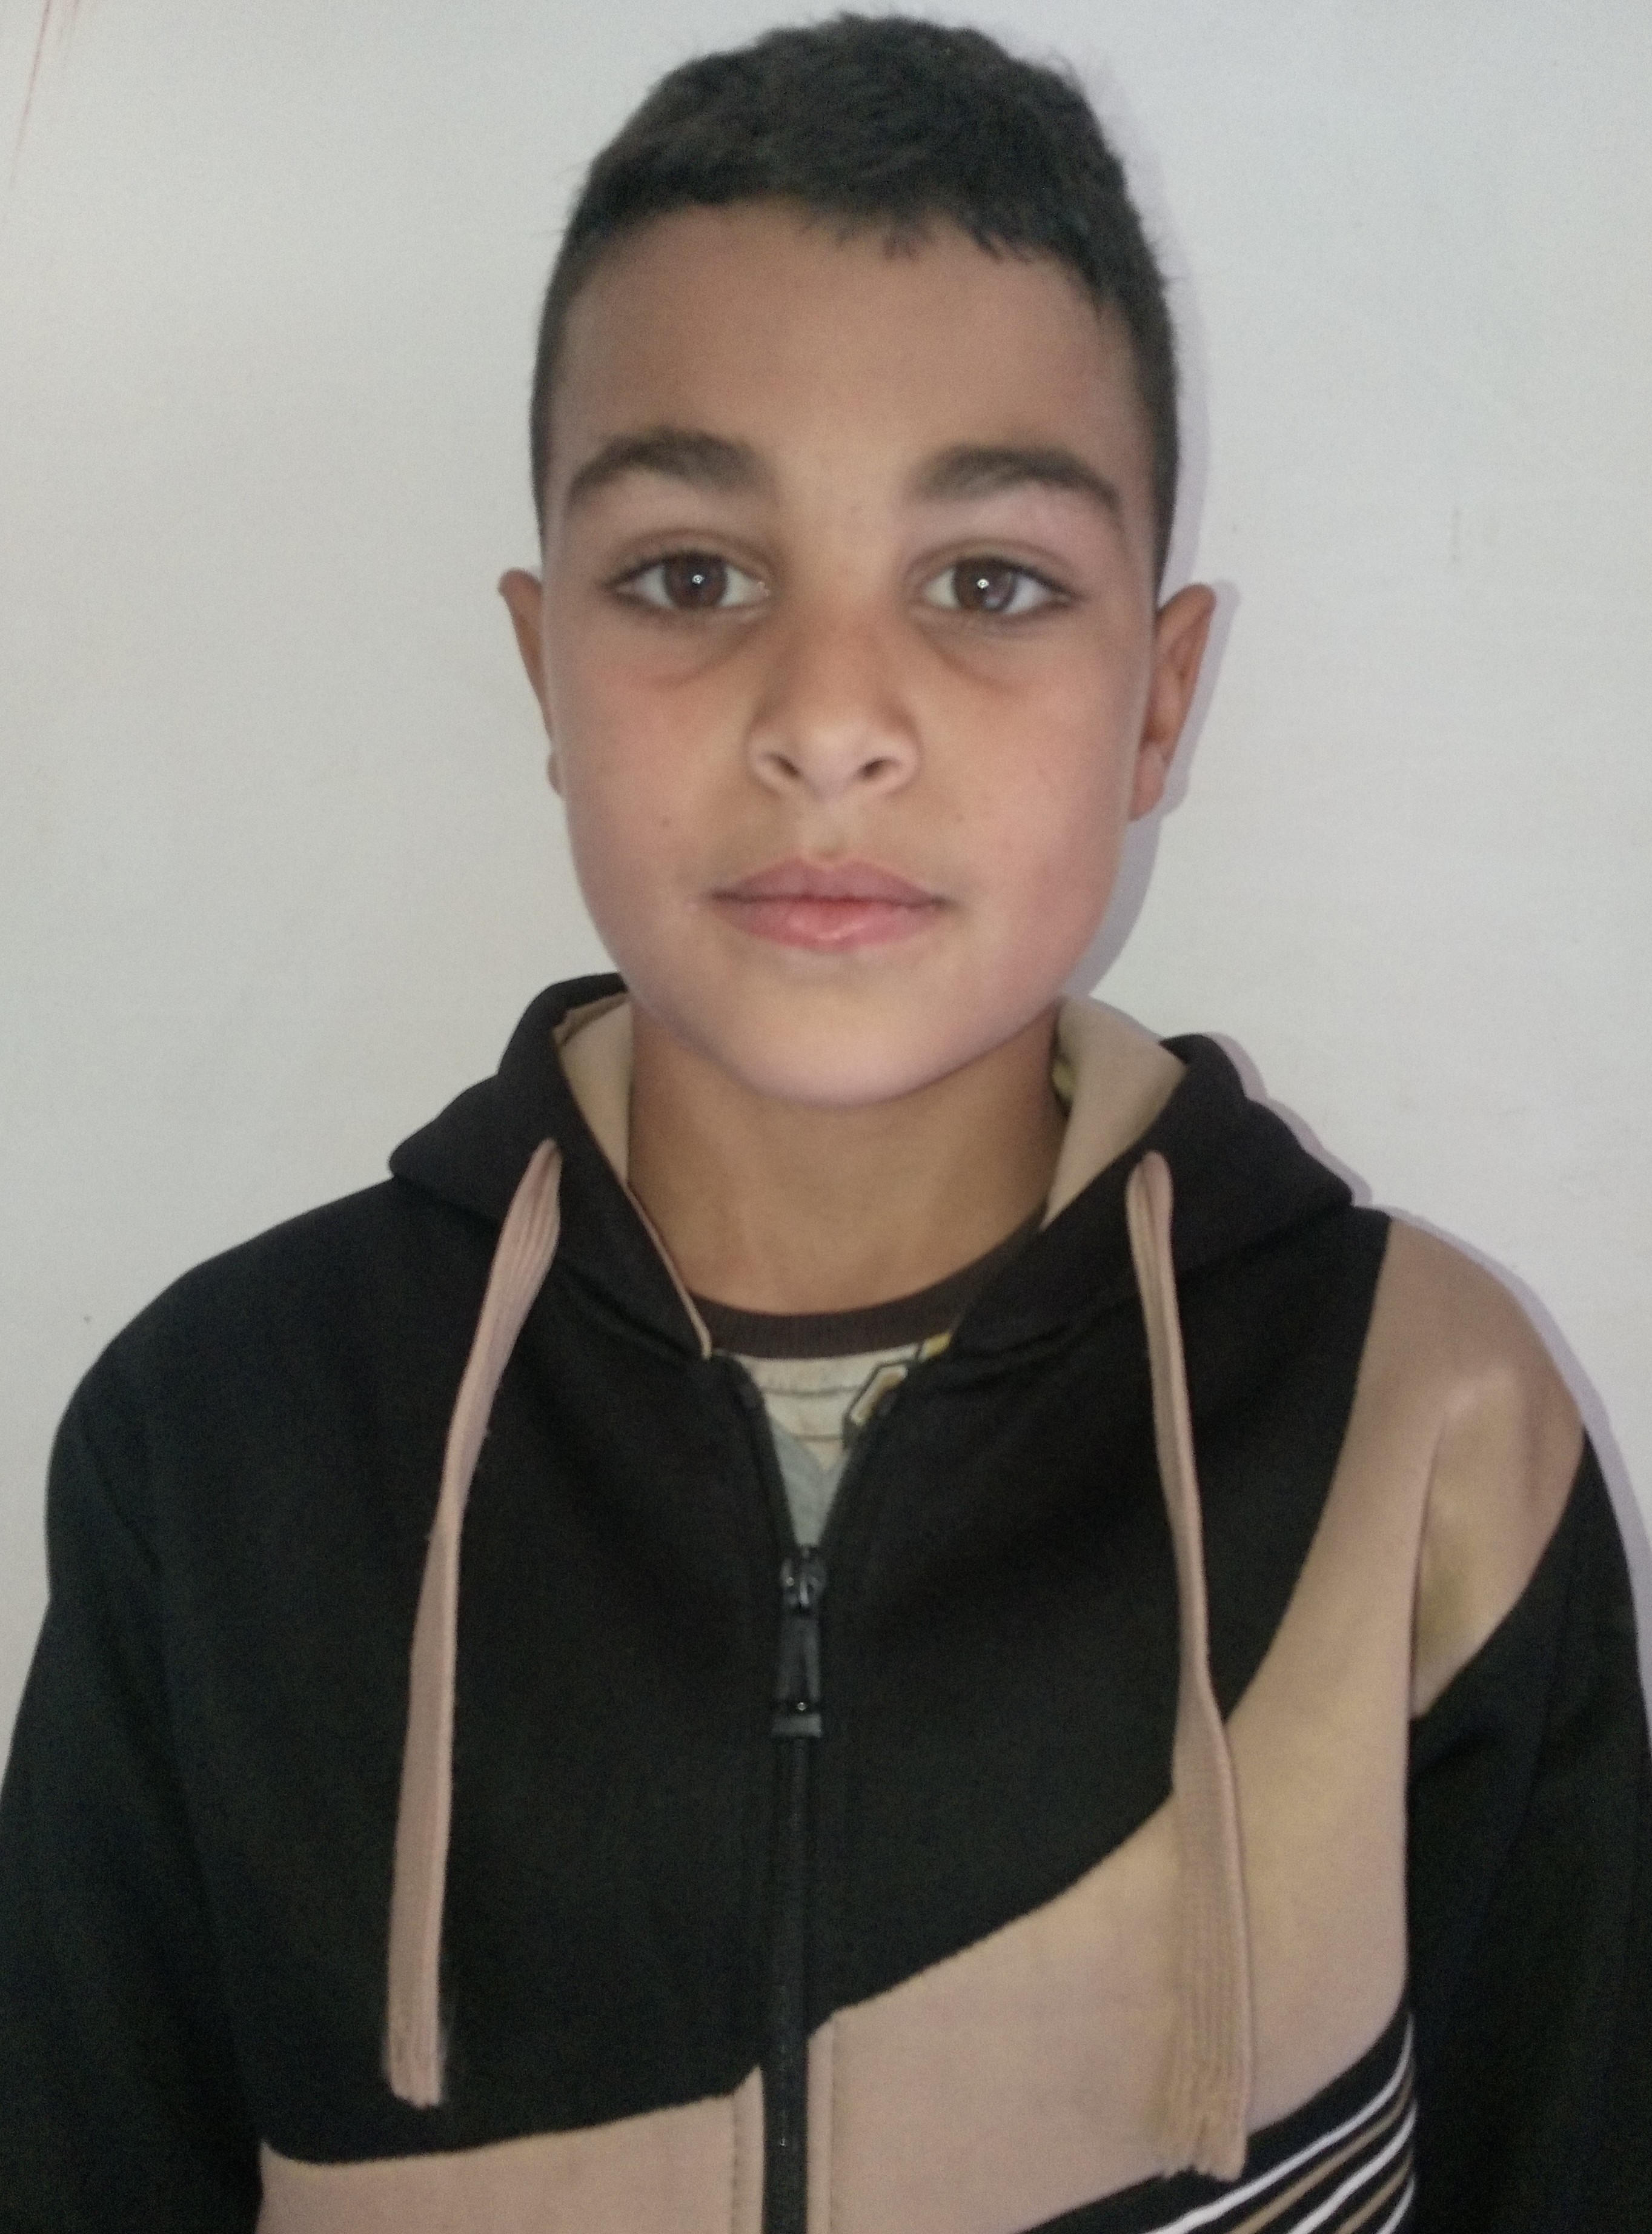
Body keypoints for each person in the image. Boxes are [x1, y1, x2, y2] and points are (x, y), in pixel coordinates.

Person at [1, 15, 1647, 2232]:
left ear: (1159, 703)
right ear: (545, 669)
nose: (832, 721)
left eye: (988, 583)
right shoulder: (219, 1447)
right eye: (693, 574)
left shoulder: (1425, 1426)